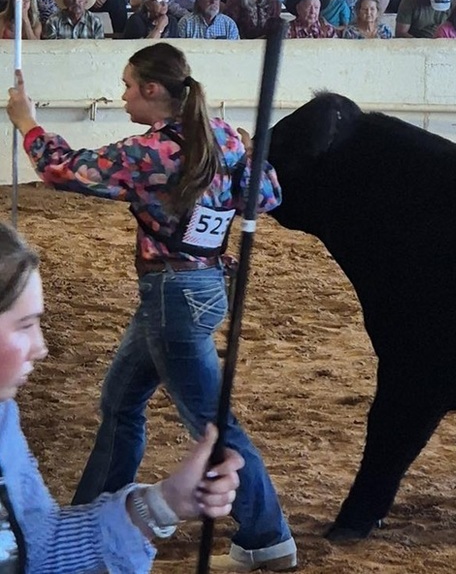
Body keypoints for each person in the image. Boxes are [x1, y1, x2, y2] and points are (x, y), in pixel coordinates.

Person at [8, 41, 297, 572]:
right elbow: (268, 197)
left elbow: (64, 169)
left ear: (152, 90)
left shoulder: (150, 153)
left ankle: (266, 535)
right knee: (121, 402)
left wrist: (26, 120)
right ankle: (92, 513)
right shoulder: (226, 136)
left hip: (172, 295)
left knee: (212, 423)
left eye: (126, 86)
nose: (121, 96)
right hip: (203, 284)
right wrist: (253, 152)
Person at [0, 220, 244, 573]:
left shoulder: (3, 417)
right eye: (24, 326)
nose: (41, 347)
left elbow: (41, 545)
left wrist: (165, 502)